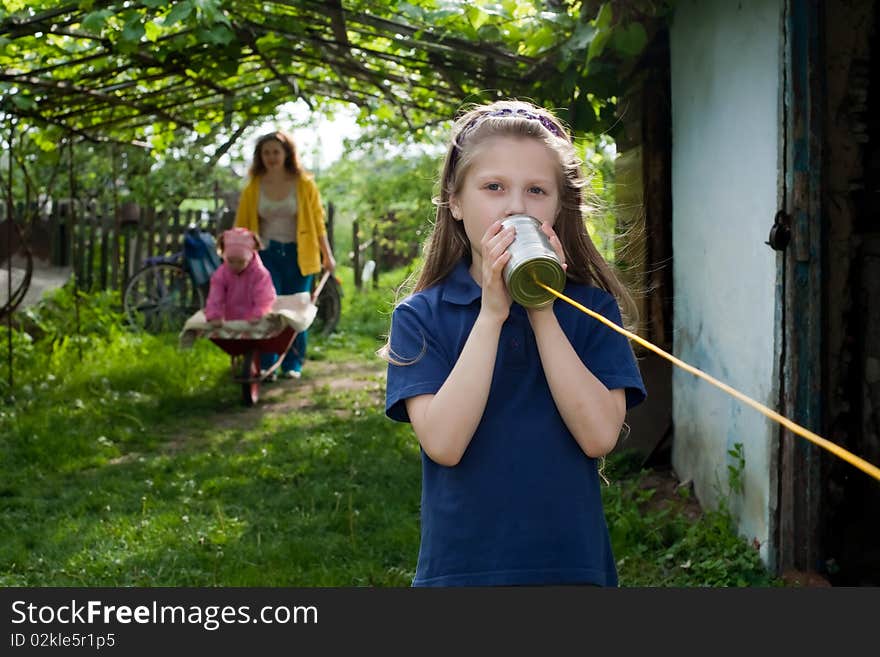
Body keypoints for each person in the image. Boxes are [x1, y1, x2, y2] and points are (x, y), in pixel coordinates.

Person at [382, 99, 647, 587]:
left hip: (573, 571)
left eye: (537, 190)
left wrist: (542, 308)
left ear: (558, 206)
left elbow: (599, 437)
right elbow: (443, 443)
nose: (516, 207)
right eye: (493, 187)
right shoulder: (421, 317)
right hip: (461, 575)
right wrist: (492, 314)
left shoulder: (592, 312)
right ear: (456, 202)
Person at [234, 130, 336, 379]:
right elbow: (242, 225)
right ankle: (269, 364)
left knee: (297, 310)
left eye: (276, 152)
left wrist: (327, 256)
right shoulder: (253, 187)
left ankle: (293, 364)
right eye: (266, 152)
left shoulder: (304, 184)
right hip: (266, 257)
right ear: (260, 156)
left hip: (300, 255)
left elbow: (318, 223)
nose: (271, 157)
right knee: (269, 309)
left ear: (287, 154)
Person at [203, 227, 276, 325]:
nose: (235, 266)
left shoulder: (260, 274)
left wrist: (259, 314)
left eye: (241, 262)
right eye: (230, 261)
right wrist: (214, 315)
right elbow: (215, 297)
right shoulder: (221, 274)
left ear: (250, 257)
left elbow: (264, 297)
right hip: (229, 322)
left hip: (254, 323)